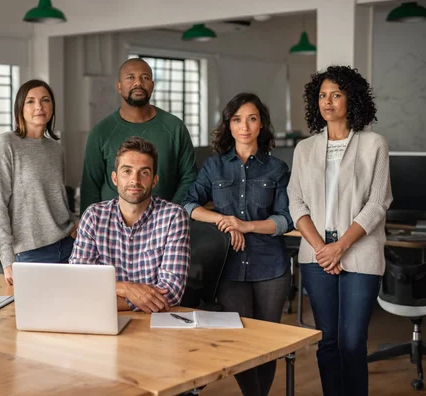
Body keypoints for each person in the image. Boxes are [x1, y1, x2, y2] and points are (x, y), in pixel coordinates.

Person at [287, 66, 392, 396]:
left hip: (358, 253)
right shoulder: (305, 149)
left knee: (351, 342)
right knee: (327, 341)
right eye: (322, 95)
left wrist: (340, 247)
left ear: (353, 99)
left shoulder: (374, 144)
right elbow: (296, 203)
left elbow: (378, 203)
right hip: (316, 255)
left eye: (336, 94)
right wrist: (323, 248)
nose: (327, 102)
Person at [182, 93, 293, 396]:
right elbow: (189, 205)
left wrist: (246, 226)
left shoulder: (278, 169)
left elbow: (285, 220)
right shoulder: (213, 167)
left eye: (252, 119)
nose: (244, 126)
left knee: (267, 342)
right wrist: (224, 220)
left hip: (271, 268)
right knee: (242, 341)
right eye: (237, 119)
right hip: (228, 268)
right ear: (228, 125)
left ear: (262, 126)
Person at [70, 136, 190, 313]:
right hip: (103, 322)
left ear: (154, 180)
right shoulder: (93, 216)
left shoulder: (174, 217)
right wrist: (127, 289)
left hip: (155, 324)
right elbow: (78, 280)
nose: (135, 180)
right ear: (115, 178)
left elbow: (171, 291)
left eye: (144, 172)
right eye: (127, 171)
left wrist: (103, 296)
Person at [0, 79, 77, 286]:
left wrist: (74, 222)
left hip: (68, 244)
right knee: (37, 316)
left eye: (45, 100)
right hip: (31, 253)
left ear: (52, 107)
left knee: (69, 312)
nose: (39, 107)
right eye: (31, 101)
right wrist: (7, 259)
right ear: (20, 108)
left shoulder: (56, 149)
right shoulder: (6, 144)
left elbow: (57, 197)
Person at [79, 57, 197, 214]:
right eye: (130, 77)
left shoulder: (175, 127)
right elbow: (90, 186)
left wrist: (171, 214)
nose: (138, 83)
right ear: (119, 87)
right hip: (112, 226)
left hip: (164, 225)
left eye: (145, 77)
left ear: (152, 86)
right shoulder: (100, 132)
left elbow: (189, 177)